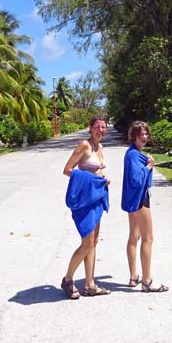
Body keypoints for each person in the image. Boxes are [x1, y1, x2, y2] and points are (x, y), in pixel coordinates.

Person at [60, 116, 112, 299]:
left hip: (97, 198)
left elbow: (97, 169)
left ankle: (90, 284)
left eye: (103, 127)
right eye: (97, 127)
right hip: (85, 200)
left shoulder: (100, 147)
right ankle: (67, 280)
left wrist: (104, 178)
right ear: (90, 128)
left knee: (93, 242)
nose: (101, 130)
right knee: (86, 243)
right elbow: (67, 170)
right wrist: (93, 181)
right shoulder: (84, 145)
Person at [121, 121, 169, 293]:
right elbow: (136, 180)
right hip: (140, 200)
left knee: (134, 237)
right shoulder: (134, 155)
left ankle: (134, 276)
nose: (145, 137)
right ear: (133, 136)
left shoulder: (133, 154)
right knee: (148, 239)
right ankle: (147, 281)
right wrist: (149, 166)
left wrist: (147, 165)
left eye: (146, 134)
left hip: (132, 200)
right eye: (141, 134)